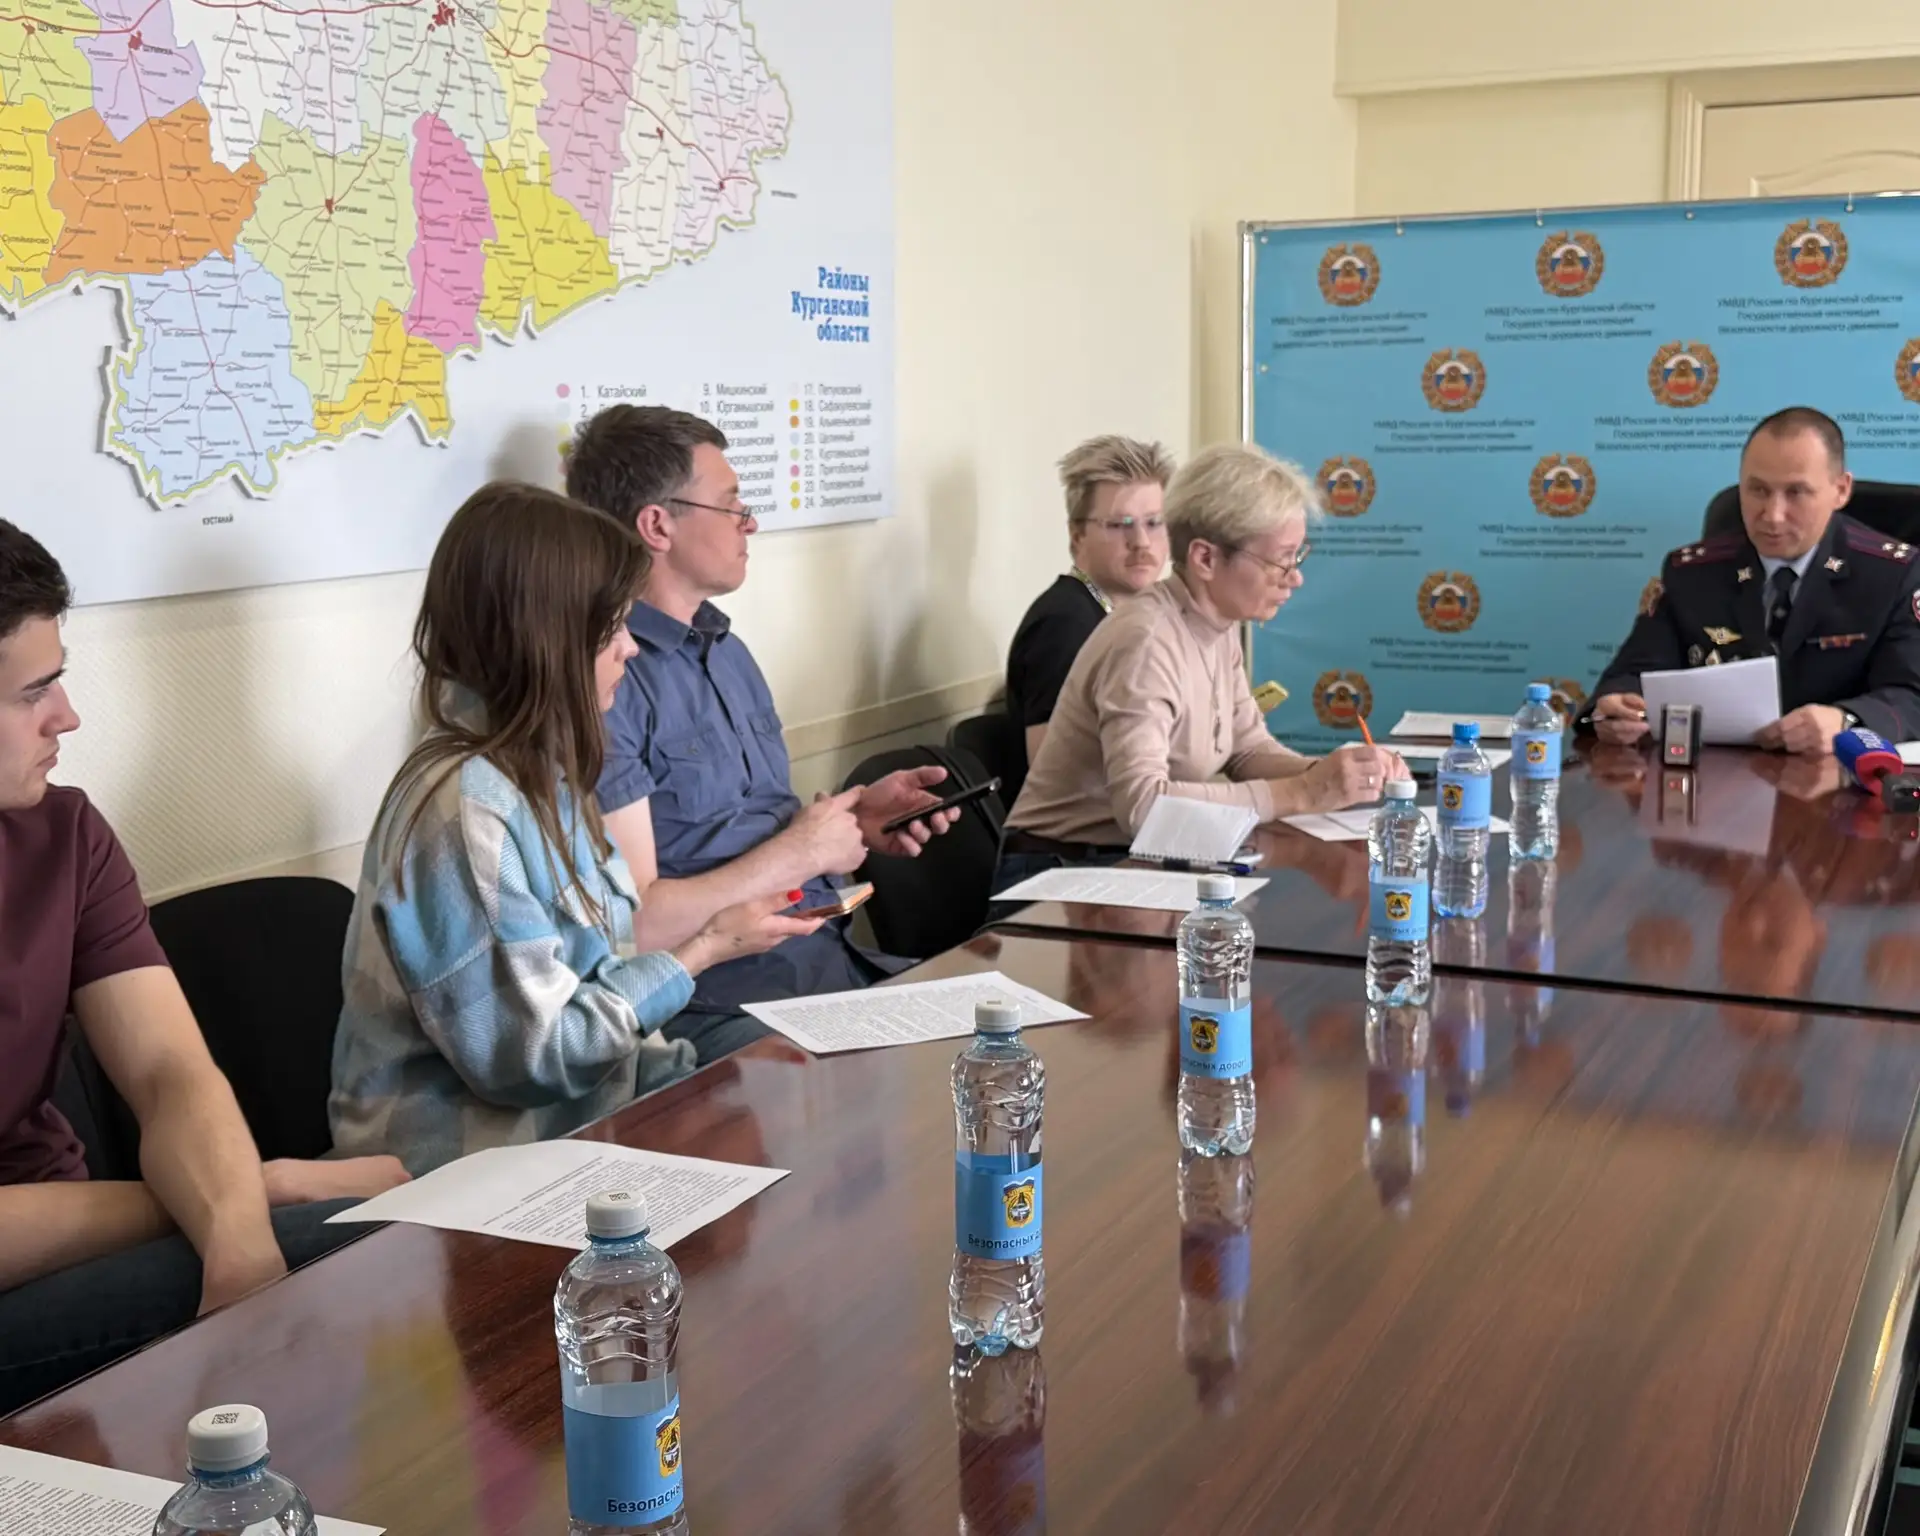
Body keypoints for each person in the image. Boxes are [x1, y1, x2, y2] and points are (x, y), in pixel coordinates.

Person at [0, 519, 407, 1416]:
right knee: (357, 1238)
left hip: (76, 1229)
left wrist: (237, 1242)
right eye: (34, 693)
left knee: (347, 1245)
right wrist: (246, 1190)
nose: (67, 716)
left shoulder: (66, 835)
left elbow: (169, 1071)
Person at [330, 484, 815, 1175]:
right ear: (547, 641)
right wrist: (701, 951)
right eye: (610, 630)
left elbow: (596, 981)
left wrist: (694, 1076)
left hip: (582, 1128)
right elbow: (534, 1058)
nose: (630, 649)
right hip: (477, 1171)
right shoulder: (464, 809)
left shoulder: (544, 776)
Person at [563, 406, 958, 1056]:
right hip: (720, 1007)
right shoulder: (607, 680)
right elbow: (633, 927)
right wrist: (803, 852)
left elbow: (764, 831)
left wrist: (855, 823)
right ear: (658, 525)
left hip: (827, 964)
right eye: (731, 506)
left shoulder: (727, 650)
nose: (750, 523)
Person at [999, 442, 1405, 880]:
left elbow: (1248, 750)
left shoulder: (1216, 623)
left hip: (1127, 859)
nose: (1295, 577)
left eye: (1297, 556)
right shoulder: (1147, 640)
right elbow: (1144, 808)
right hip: (1060, 871)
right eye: (1280, 561)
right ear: (1205, 559)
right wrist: (1305, 791)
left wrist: (1334, 776)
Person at [1586, 407, 1920, 754]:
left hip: (1841, 773)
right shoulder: (1692, 573)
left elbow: (1912, 696)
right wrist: (1616, 709)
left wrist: (1847, 720)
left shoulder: (1893, 574)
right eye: (1758, 490)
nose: (1773, 516)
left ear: (1841, 490)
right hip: (1715, 775)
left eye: (1796, 492)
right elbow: (1632, 676)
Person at [1005, 436, 1174, 777]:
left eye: (1154, 522)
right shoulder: (1064, 624)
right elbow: (1054, 775)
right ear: (1077, 535)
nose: (1141, 542)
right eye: (1119, 525)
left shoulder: (1132, 615)